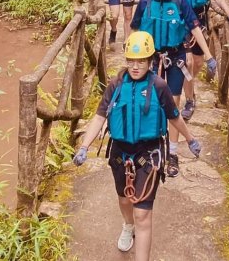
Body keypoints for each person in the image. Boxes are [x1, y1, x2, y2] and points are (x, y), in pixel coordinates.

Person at [72, 31, 201, 260]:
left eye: (140, 61)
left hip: (149, 154)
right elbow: (100, 117)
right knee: (124, 200)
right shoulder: (116, 84)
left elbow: (173, 117)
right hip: (120, 152)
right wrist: (84, 147)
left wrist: (190, 139)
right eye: (131, 61)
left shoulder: (159, 86)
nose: (135, 66)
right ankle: (127, 225)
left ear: (150, 61)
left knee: (143, 214)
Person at [131, 0, 216, 178]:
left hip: (175, 56)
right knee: (145, 100)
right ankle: (145, 145)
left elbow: (195, 28)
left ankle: (173, 152)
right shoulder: (145, 2)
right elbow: (135, 29)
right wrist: (131, 58)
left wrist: (207, 56)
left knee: (173, 104)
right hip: (151, 58)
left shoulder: (180, 2)